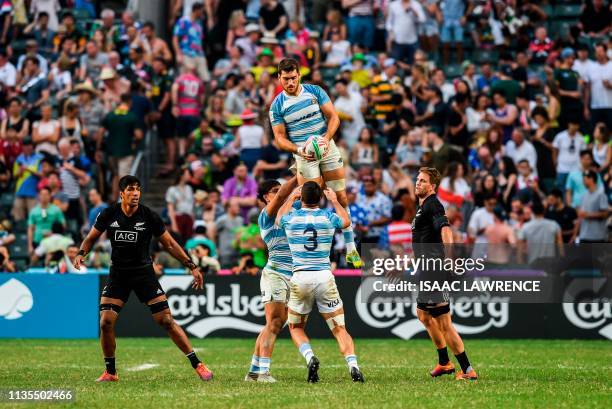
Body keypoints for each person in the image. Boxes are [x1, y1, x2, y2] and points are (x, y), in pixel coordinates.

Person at [73, 175, 213, 382]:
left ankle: (198, 364)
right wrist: (80, 253)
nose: (135, 193)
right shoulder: (109, 213)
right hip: (118, 274)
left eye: (138, 189)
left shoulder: (149, 216)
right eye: (130, 189)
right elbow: (92, 237)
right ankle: (110, 372)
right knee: (105, 322)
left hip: (143, 274)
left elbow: (170, 244)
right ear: (121, 193)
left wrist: (191, 265)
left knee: (166, 320)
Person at [270, 58, 362, 267]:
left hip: (326, 147)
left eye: (293, 78)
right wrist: (299, 150)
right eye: (286, 79)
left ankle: (351, 249)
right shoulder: (277, 105)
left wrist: (326, 139)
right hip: (304, 155)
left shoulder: (315, 91)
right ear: (279, 78)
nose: (290, 82)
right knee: (310, 198)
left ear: (299, 75)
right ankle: (298, 252)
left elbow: (334, 118)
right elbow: (280, 138)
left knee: (340, 196)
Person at [277, 181, 365, 383]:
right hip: (324, 276)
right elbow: (346, 221)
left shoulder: (291, 218)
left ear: (301, 198)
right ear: (321, 198)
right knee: (339, 329)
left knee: (296, 328)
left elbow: (278, 217)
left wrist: (291, 197)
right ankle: (353, 365)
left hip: (300, 277)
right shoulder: (328, 217)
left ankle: (310, 357)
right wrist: (335, 200)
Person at [412, 167, 478, 380]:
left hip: (434, 270)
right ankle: (444, 362)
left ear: (432, 186)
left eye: (422, 181)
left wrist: (449, 260)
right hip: (427, 269)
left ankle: (467, 370)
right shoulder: (422, 207)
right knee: (424, 315)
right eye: (417, 179)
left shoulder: (433, 204)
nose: (418, 183)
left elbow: (446, 230)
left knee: (443, 322)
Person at [244, 177, 298, 382]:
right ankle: (263, 373)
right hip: (275, 273)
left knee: (275, 324)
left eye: (279, 190)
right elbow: (286, 193)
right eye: (274, 191)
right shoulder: (267, 215)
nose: (279, 193)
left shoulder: (291, 210)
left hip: (293, 275)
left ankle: (253, 371)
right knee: (274, 322)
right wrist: (296, 175)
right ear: (266, 197)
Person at [577, 170, 609, 243]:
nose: (583, 182)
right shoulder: (584, 195)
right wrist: (575, 234)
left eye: (584, 179)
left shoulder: (601, 194)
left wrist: (588, 215)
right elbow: (580, 216)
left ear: (591, 179)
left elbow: (605, 214)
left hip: (597, 236)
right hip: (584, 235)